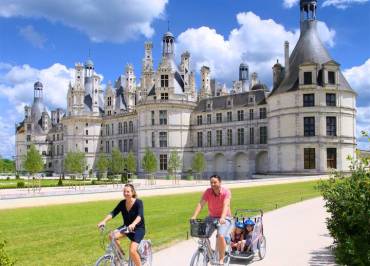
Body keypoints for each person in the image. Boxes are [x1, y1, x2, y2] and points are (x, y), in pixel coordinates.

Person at [97, 184, 145, 266]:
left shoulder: (138, 202)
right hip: (126, 227)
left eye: (128, 191)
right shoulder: (122, 203)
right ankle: (121, 256)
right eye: (124, 191)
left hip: (138, 229)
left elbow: (139, 216)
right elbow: (113, 213)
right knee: (111, 236)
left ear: (132, 192)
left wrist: (133, 224)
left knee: (132, 251)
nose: (126, 193)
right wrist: (104, 221)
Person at [191, 175, 232, 265]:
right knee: (202, 234)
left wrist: (223, 217)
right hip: (212, 217)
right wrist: (194, 216)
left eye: (215, 182)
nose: (213, 184)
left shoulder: (226, 192)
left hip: (225, 218)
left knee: (220, 235)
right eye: (211, 183)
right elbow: (201, 204)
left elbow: (226, 205)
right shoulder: (208, 192)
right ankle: (209, 252)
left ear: (220, 182)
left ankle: (221, 259)